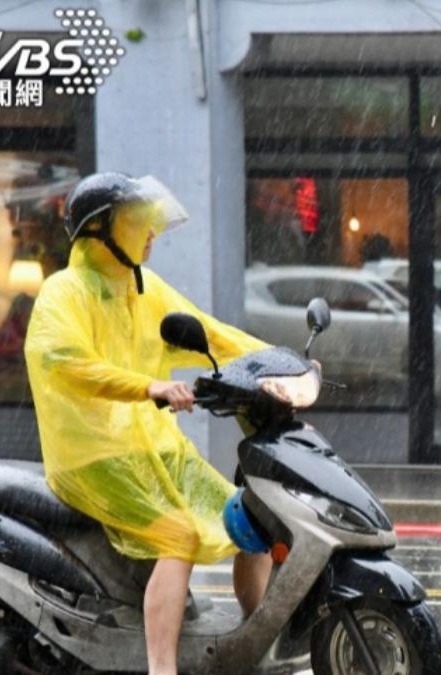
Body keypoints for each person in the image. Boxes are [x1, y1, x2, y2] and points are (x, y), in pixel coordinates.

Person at [23, 172, 274, 675]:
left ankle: (257, 645)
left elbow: (210, 332)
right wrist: (149, 387)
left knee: (254, 518)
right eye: (140, 222)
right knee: (177, 535)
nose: (151, 233)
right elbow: (64, 362)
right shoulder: (64, 292)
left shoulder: (144, 288)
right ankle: (162, 669)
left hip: (153, 447)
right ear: (101, 230)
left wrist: (276, 362)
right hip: (91, 457)